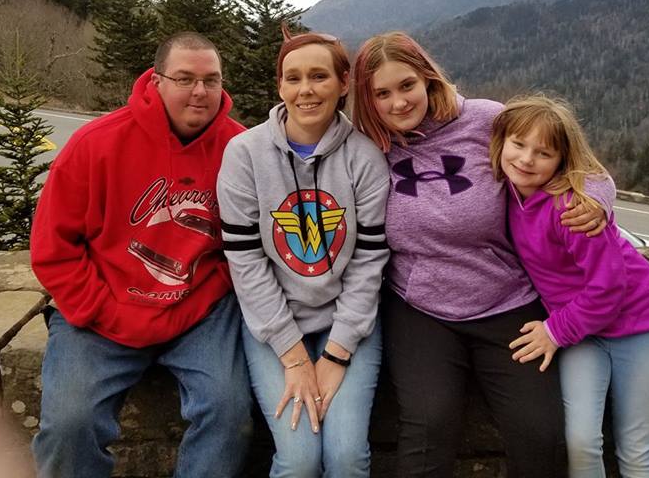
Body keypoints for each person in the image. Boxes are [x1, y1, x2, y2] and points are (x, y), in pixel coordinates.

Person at [351, 31, 616, 478]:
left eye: (407, 85)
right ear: (367, 98)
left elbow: (577, 164)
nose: (398, 102)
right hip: (420, 309)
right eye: (382, 93)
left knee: (541, 434)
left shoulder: (486, 120)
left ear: (428, 78)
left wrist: (597, 201)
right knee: (428, 426)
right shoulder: (367, 146)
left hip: (506, 300)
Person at [29, 31, 252, 478]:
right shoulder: (95, 144)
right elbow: (53, 249)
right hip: (102, 310)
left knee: (231, 415)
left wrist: (212, 291)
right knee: (69, 423)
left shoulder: (243, 148)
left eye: (211, 80)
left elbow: (247, 248)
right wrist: (102, 311)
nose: (200, 92)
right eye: (185, 78)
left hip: (199, 312)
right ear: (156, 81)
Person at [218, 29, 390, 477]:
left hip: (348, 323)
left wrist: (336, 355)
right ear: (280, 86)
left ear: (344, 83)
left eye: (318, 76)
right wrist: (293, 357)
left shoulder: (365, 159)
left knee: (347, 458)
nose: (306, 90)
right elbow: (246, 260)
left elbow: (369, 263)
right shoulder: (245, 154)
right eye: (292, 78)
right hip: (274, 324)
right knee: (298, 460)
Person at [491, 94, 649, 478]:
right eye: (518, 145)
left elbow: (608, 287)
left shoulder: (570, 210)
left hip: (636, 326)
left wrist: (554, 331)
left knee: (637, 447)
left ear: (561, 161)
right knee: (582, 441)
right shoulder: (504, 193)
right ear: (501, 143)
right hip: (582, 335)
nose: (525, 160)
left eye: (543, 153)